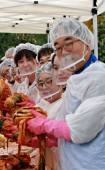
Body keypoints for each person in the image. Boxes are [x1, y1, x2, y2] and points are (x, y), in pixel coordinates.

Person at [26, 18, 105, 170]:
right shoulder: (76, 79)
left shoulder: (99, 77)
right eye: (58, 48)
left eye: (68, 44)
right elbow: (65, 130)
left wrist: (44, 124)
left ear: (87, 42)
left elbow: (80, 130)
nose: (64, 52)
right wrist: (43, 140)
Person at [35, 62, 63, 170]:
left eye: (48, 82)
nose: (44, 87)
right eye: (41, 84)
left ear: (60, 81)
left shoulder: (65, 104)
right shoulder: (40, 106)